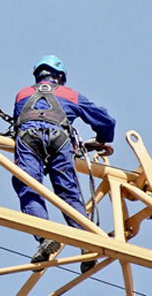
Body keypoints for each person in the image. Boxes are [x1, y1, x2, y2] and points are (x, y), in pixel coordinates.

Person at [12, 55, 115, 273]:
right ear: (60, 77)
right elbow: (105, 120)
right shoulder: (70, 95)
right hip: (60, 141)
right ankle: (86, 242)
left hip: (28, 138)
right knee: (68, 194)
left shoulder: (22, 94)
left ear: (38, 75)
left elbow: (20, 123)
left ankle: (45, 237)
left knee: (29, 187)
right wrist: (101, 139)